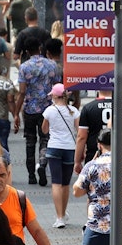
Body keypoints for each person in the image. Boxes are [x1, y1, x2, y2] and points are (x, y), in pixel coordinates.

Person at [16, 37, 59, 187]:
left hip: (29, 109)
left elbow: (21, 92)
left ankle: (31, 175)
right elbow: (57, 86)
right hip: (47, 108)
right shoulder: (51, 65)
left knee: (30, 141)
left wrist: (16, 113)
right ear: (40, 48)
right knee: (45, 139)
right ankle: (42, 164)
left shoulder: (24, 67)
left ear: (27, 51)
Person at [41, 83, 79, 228]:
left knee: (56, 182)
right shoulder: (74, 111)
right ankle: (63, 212)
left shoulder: (49, 111)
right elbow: (78, 130)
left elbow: (44, 130)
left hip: (54, 148)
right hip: (70, 148)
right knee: (65, 184)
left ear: (55, 96)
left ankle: (59, 218)